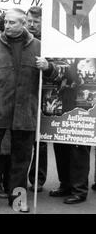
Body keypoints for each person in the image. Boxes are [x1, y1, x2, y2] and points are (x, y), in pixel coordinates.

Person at [0, 8, 57, 213]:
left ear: (24, 23)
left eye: (12, 22)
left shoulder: (39, 47)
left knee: (21, 159)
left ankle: (17, 199)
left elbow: (55, 77)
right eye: (6, 22)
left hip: (25, 113)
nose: (7, 26)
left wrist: (49, 67)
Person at [49, 59, 91, 204]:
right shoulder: (60, 50)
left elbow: (81, 75)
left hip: (82, 103)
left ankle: (79, 190)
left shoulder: (89, 51)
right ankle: (65, 184)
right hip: (61, 101)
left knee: (78, 147)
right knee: (60, 145)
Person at [25, 6, 48, 193]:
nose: (31, 25)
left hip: (41, 94)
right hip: (22, 95)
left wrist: (47, 66)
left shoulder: (48, 42)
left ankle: (38, 179)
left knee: (40, 141)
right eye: (29, 21)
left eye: (36, 22)